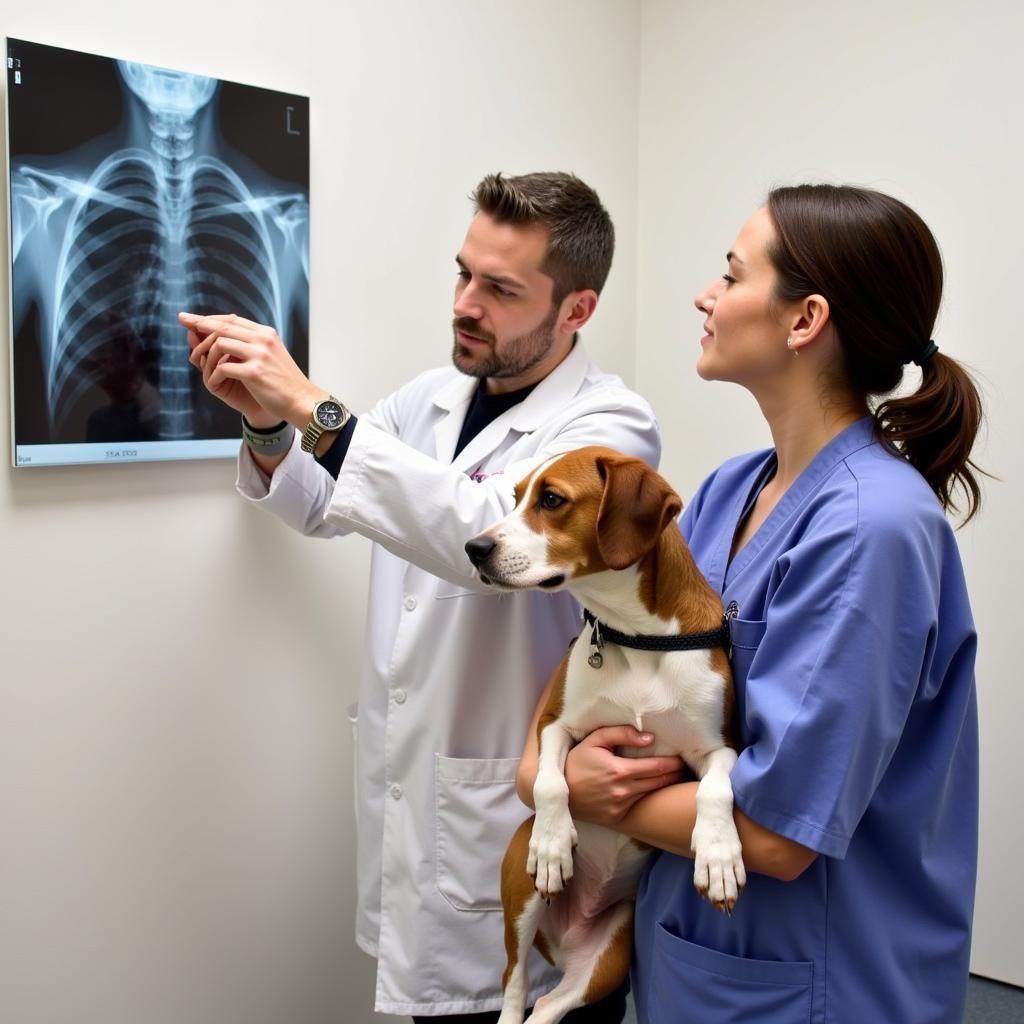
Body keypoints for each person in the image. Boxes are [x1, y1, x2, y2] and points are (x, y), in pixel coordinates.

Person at [179, 172, 678, 1021]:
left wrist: (308, 400)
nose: (466, 304)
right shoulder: (431, 398)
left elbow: (488, 541)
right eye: (463, 275)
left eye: (500, 289)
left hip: (531, 815)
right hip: (423, 784)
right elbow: (322, 502)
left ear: (576, 310)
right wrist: (267, 422)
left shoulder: (610, 428)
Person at [518, 184, 981, 1024]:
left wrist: (569, 789)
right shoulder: (730, 490)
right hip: (691, 956)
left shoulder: (870, 528)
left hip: (817, 981)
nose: (706, 295)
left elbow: (776, 838)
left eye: (730, 277)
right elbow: (606, 656)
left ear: (804, 321)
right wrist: (545, 768)